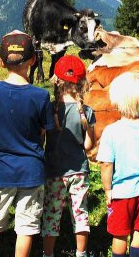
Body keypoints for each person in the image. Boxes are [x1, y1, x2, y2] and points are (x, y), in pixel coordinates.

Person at [0, 31, 55, 257]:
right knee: (26, 227)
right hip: (31, 169)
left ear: (1, 62)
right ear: (33, 60)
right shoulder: (40, 96)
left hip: (0, 168)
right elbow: (43, 130)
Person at [97, 72, 139, 257]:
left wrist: (107, 189)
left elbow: (106, 165)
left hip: (121, 192)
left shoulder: (111, 131)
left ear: (116, 101)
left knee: (119, 234)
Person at [42, 55, 97, 257]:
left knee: (51, 214)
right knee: (80, 212)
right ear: (82, 82)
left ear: (56, 80)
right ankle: (81, 253)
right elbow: (88, 145)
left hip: (54, 170)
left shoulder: (49, 109)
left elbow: (42, 139)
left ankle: (48, 253)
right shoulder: (87, 111)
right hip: (79, 171)